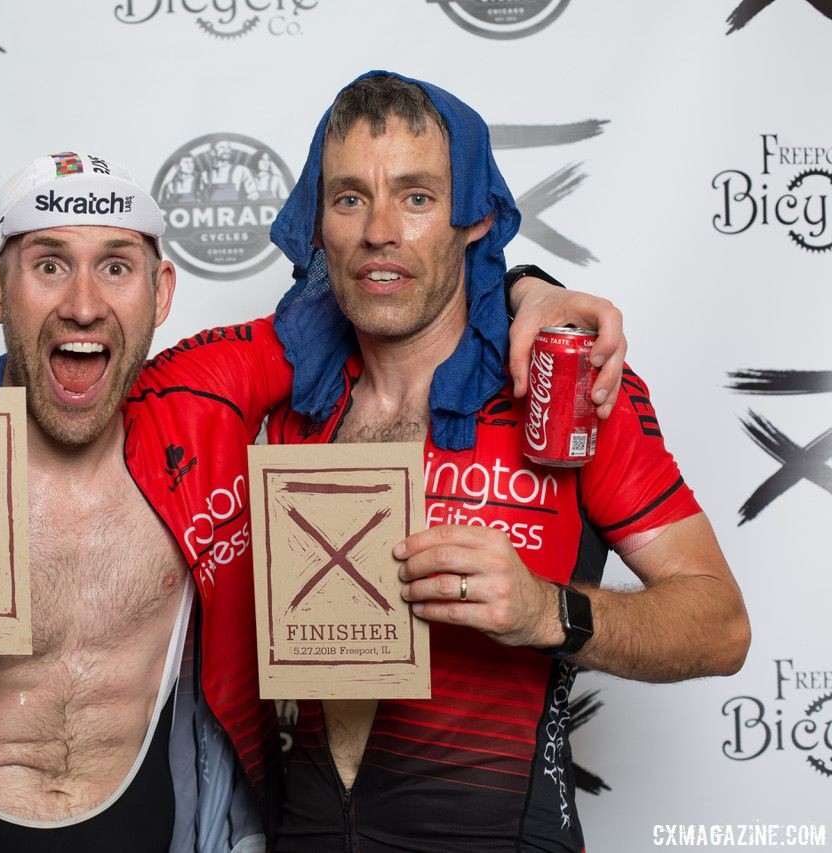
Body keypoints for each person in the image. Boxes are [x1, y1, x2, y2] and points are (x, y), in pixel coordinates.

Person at [0, 148, 624, 851]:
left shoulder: (205, 403)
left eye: (117, 266)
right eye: (48, 264)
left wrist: (524, 288)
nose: (85, 303)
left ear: (161, 291)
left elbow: (376, 291)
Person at [263, 71, 751, 851]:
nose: (379, 230)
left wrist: (544, 611)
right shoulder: (286, 403)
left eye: (417, 197)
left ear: (475, 219)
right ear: (316, 224)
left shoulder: (566, 389)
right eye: (350, 197)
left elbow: (721, 624)